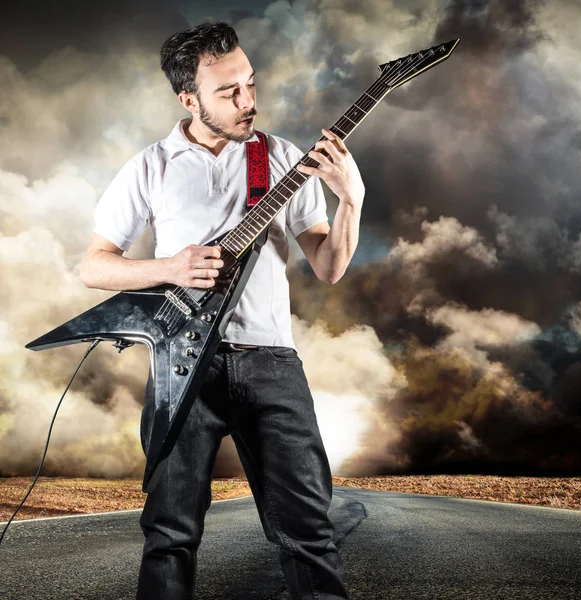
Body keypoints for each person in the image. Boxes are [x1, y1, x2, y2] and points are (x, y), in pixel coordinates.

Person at [79, 22, 364, 600]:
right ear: (189, 100)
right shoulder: (151, 167)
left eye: (250, 84)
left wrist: (350, 199)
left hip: (271, 364)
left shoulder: (282, 159)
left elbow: (329, 267)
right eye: (229, 93)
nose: (248, 102)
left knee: (310, 532)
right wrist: (169, 267)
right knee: (169, 535)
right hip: (182, 367)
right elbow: (94, 266)